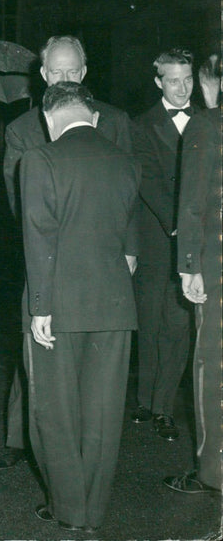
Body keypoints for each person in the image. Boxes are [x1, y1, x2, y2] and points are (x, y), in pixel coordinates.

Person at [0, 35, 134, 471]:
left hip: (106, 260)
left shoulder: (114, 120)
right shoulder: (21, 130)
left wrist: (130, 249)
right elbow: (23, 211)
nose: (66, 78)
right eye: (57, 72)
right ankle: (22, 440)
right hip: (46, 256)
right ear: (42, 75)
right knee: (34, 352)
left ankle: (82, 457)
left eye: (73, 71)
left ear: (85, 74)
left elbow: (130, 191)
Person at [21, 81, 139, 532]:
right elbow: (130, 245)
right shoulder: (126, 162)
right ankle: (95, 509)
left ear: (50, 120)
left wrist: (40, 307)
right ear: (92, 117)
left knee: (56, 411)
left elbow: (39, 237)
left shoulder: (41, 158)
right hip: (114, 305)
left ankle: (70, 510)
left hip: (60, 307)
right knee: (104, 413)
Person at [163, 54, 222, 495]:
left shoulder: (207, 125)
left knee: (211, 367)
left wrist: (188, 267)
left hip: (217, 264)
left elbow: (193, 202)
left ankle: (212, 472)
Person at [131, 48, 195, 440]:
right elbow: (149, 182)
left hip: (192, 240)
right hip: (158, 238)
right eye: (174, 80)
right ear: (158, 82)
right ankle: (145, 398)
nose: (182, 87)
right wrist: (180, 226)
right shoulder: (142, 125)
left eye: (187, 78)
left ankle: (163, 408)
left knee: (179, 324)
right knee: (150, 323)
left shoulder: (208, 120)